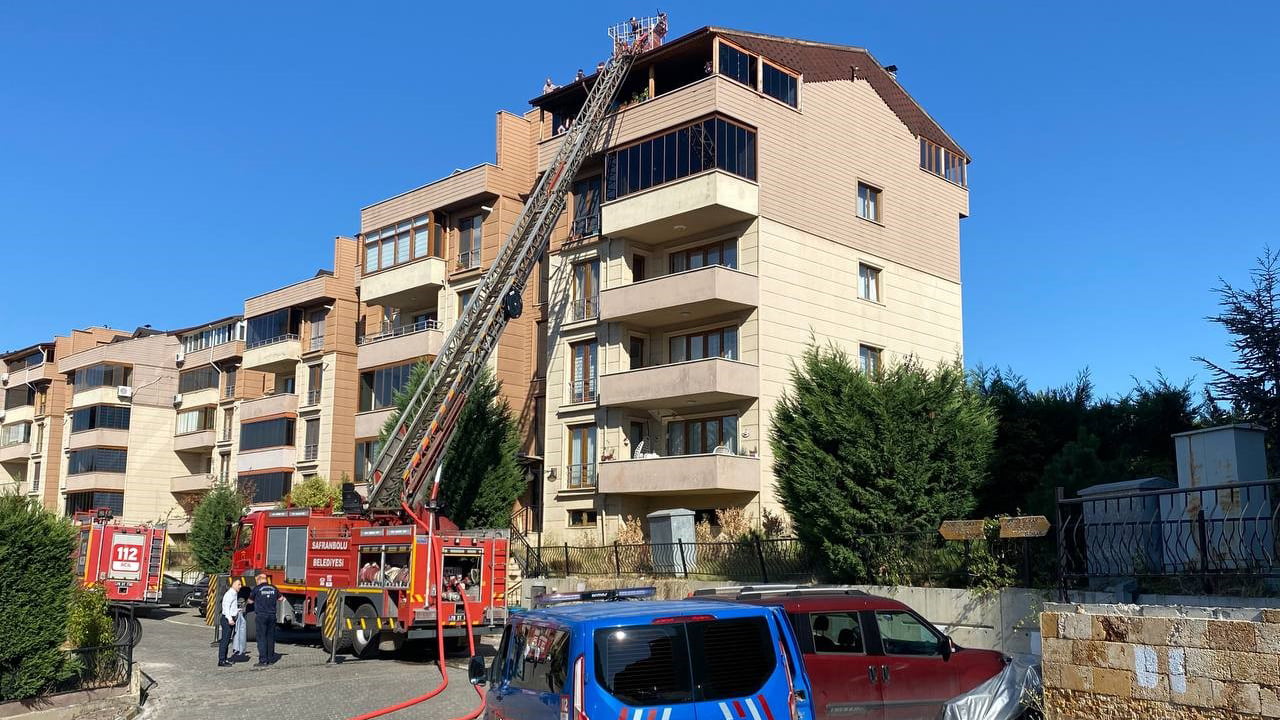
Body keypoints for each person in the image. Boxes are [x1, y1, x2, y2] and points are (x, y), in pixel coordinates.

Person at [249, 572, 280, 668]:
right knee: (270, 637)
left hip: (262, 615)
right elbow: (281, 599)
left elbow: (250, 601)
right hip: (272, 615)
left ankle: (263, 660)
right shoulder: (274, 588)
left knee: (261, 638)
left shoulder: (257, 588)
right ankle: (271, 659)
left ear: (259, 580)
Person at [217, 578, 241, 667]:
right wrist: (230, 619)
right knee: (225, 640)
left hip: (230, 618)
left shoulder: (234, 594)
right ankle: (221, 660)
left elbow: (232, 607)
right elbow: (226, 607)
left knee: (227, 640)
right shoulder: (229, 594)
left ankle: (224, 658)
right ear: (233, 585)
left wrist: (237, 610)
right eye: (238, 584)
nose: (240, 586)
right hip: (227, 620)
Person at [231, 585, 248, 660]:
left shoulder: (233, 594)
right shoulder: (231, 595)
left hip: (237, 614)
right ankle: (238, 648)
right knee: (239, 631)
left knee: (238, 631)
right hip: (237, 615)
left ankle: (237, 647)